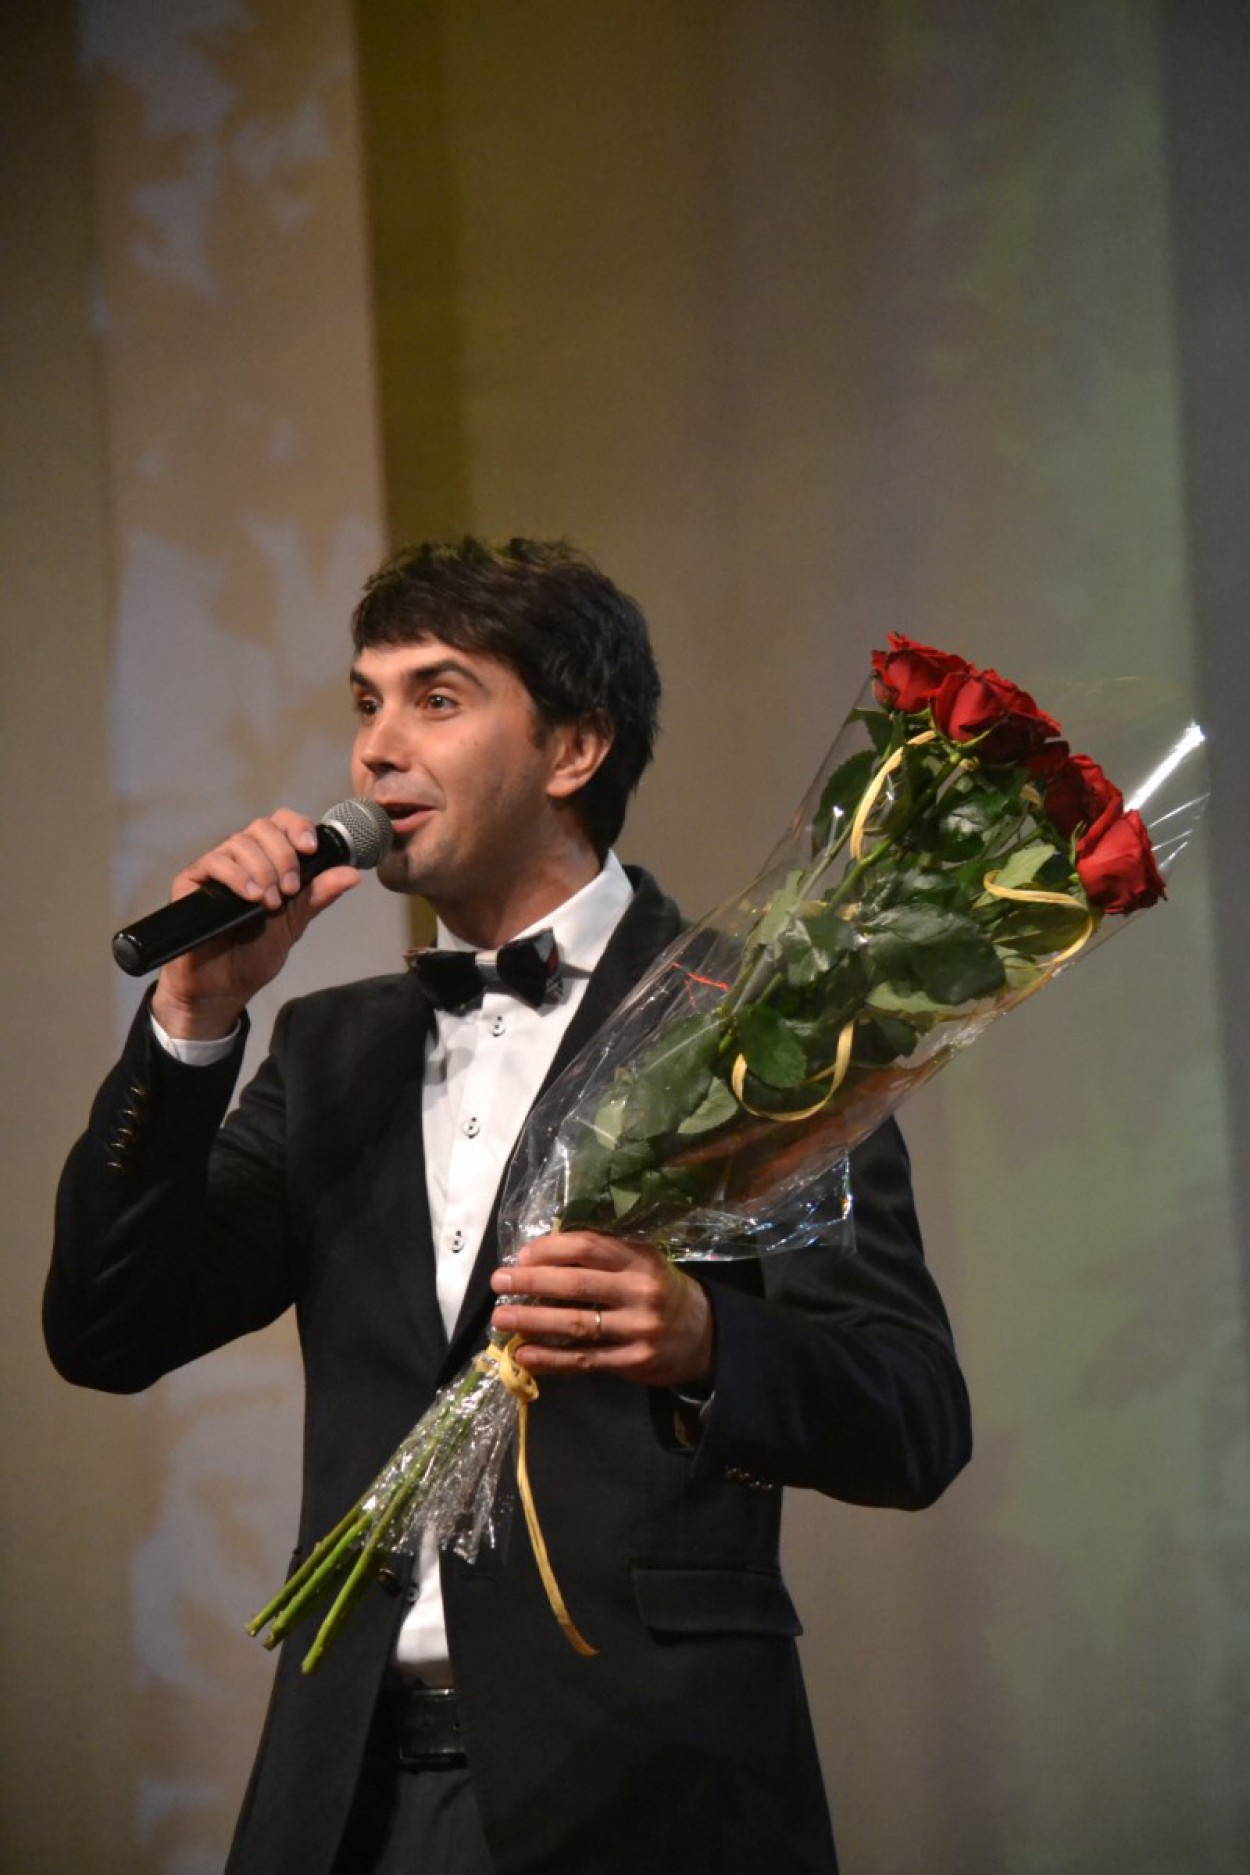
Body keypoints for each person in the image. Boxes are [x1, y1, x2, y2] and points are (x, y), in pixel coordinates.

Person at [46, 537, 972, 1874]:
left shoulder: (761, 1024)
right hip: (348, 1797)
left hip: (650, 1791)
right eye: (365, 702)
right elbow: (108, 1330)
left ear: (574, 749)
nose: (375, 750)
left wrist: (707, 1342)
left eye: (437, 697)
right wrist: (194, 1020)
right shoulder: (328, 1050)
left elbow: (913, 1418)